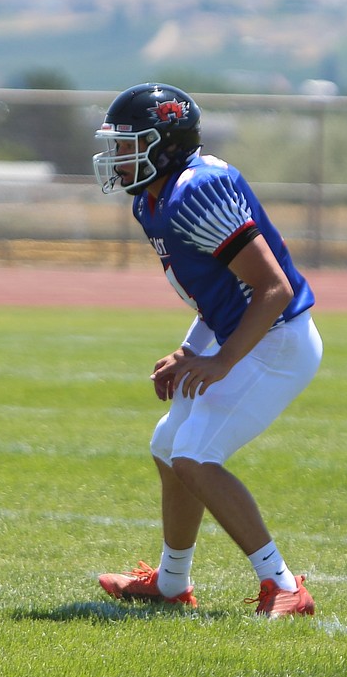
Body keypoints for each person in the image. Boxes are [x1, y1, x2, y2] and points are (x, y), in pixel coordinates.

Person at [91, 83, 323, 618]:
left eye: (130, 145)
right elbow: (218, 295)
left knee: (195, 454)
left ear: (165, 144)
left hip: (278, 339)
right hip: (243, 332)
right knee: (168, 444)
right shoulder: (154, 198)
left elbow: (273, 290)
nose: (117, 158)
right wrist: (189, 348)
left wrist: (220, 361)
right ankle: (172, 585)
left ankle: (285, 585)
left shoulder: (197, 189)